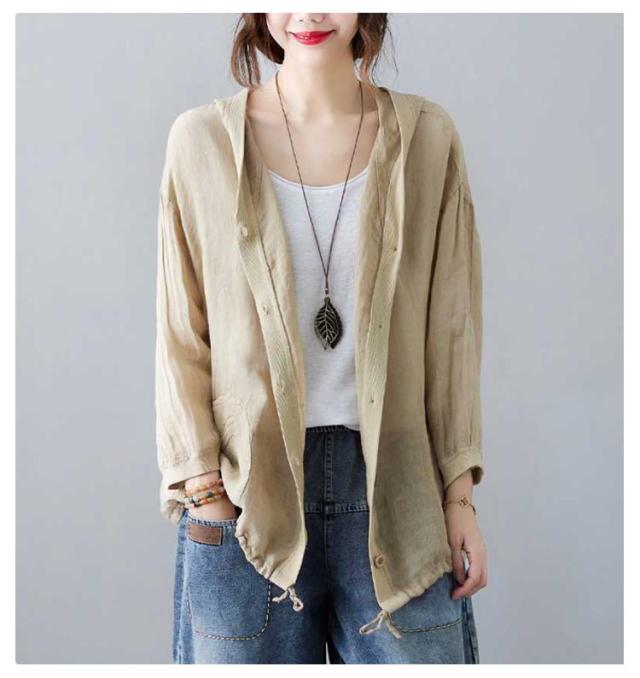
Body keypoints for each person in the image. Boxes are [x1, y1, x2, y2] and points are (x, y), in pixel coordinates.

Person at [155, 12, 488, 664]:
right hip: (244, 495)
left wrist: (459, 496)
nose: (308, 13)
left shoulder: (426, 138)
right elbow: (180, 334)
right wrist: (205, 494)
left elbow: (452, 330)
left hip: (401, 494)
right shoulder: (201, 142)